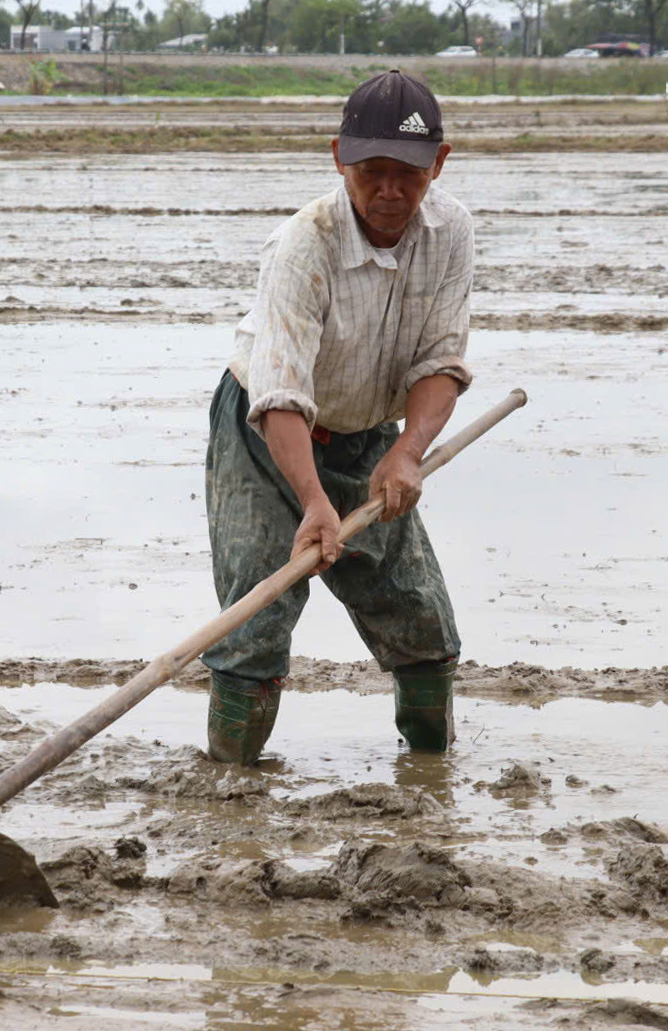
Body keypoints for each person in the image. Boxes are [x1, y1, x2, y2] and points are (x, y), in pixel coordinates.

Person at [202, 70, 473, 766]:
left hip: (369, 439)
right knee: (255, 617)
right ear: (339, 159)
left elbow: (440, 360)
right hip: (267, 434)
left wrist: (408, 450)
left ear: (437, 165)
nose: (389, 190)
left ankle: (430, 769)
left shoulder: (450, 234)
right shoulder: (304, 245)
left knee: (418, 615)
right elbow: (283, 392)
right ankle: (233, 785)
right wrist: (314, 501)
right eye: (371, 171)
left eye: (407, 174)